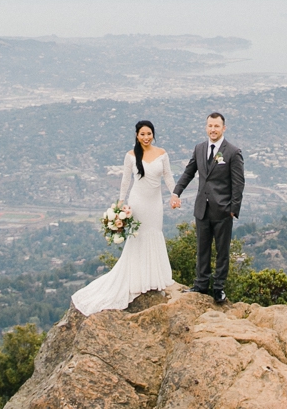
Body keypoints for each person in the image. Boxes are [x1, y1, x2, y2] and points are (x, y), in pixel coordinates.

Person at [70, 120, 176, 316]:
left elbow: (168, 176)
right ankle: (138, 279)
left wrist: (174, 194)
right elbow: (125, 179)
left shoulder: (162, 154)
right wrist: (120, 201)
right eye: (142, 134)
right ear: (137, 135)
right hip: (138, 202)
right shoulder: (130, 156)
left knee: (154, 234)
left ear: (153, 134)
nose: (146, 137)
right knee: (139, 236)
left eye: (149, 133)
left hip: (155, 203)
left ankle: (154, 278)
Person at [170, 111, 243, 303]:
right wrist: (176, 192)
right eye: (210, 126)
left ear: (223, 128)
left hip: (223, 209)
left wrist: (233, 209)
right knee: (202, 248)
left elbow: (238, 183)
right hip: (202, 208)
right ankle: (201, 284)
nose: (213, 129)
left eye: (216, 126)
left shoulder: (233, 152)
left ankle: (218, 288)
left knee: (222, 251)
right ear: (206, 127)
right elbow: (189, 172)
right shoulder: (200, 148)